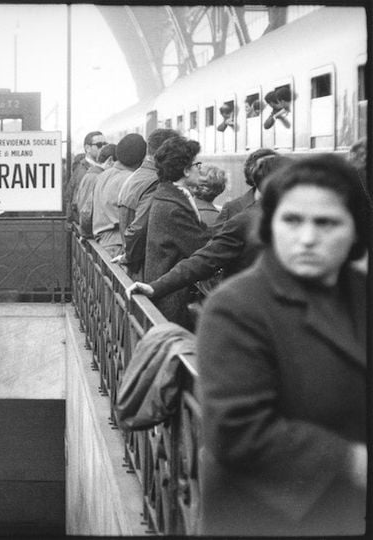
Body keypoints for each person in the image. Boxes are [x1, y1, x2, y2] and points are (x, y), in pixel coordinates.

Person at [197, 154, 369, 536]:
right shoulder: (236, 306)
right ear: (271, 226)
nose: (307, 238)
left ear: (356, 230)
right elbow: (236, 429)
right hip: (268, 519)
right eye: (292, 220)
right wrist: (353, 461)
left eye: (326, 223)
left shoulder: (360, 295)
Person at [127, 155, 293, 305]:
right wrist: (155, 287)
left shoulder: (253, 218)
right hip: (254, 313)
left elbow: (204, 259)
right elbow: (205, 258)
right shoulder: (247, 220)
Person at [143, 137, 210, 330]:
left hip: (170, 292)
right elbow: (200, 246)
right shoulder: (173, 207)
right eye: (197, 164)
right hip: (174, 299)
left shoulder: (170, 196)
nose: (200, 169)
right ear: (186, 170)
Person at [114, 128, 180, 280]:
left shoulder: (136, 176)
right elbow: (138, 229)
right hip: (146, 268)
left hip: (137, 266)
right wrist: (129, 258)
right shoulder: (155, 182)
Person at [92, 133, 147, 255]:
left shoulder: (101, 176)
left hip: (101, 244)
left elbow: (88, 212)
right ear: (141, 159)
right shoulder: (132, 181)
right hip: (119, 246)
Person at [213, 148, 277, 228]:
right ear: (251, 174)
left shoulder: (288, 206)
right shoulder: (232, 209)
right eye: (263, 167)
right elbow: (216, 238)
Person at [65, 131, 106, 222]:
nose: (103, 148)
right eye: (99, 145)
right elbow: (81, 206)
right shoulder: (83, 172)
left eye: (105, 144)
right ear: (87, 148)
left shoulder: (93, 168)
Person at [75, 143, 115, 237]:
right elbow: (85, 211)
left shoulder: (92, 175)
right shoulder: (95, 177)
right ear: (110, 160)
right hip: (92, 236)